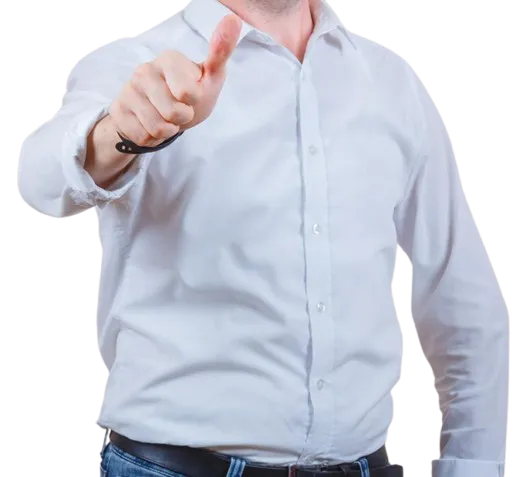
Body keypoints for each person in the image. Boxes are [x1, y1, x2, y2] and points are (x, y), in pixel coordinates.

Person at [17, 0, 510, 476]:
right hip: (171, 468)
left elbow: (459, 291)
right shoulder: (139, 64)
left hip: (363, 465)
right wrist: (123, 132)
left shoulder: (390, 81)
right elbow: (40, 180)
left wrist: (473, 463)